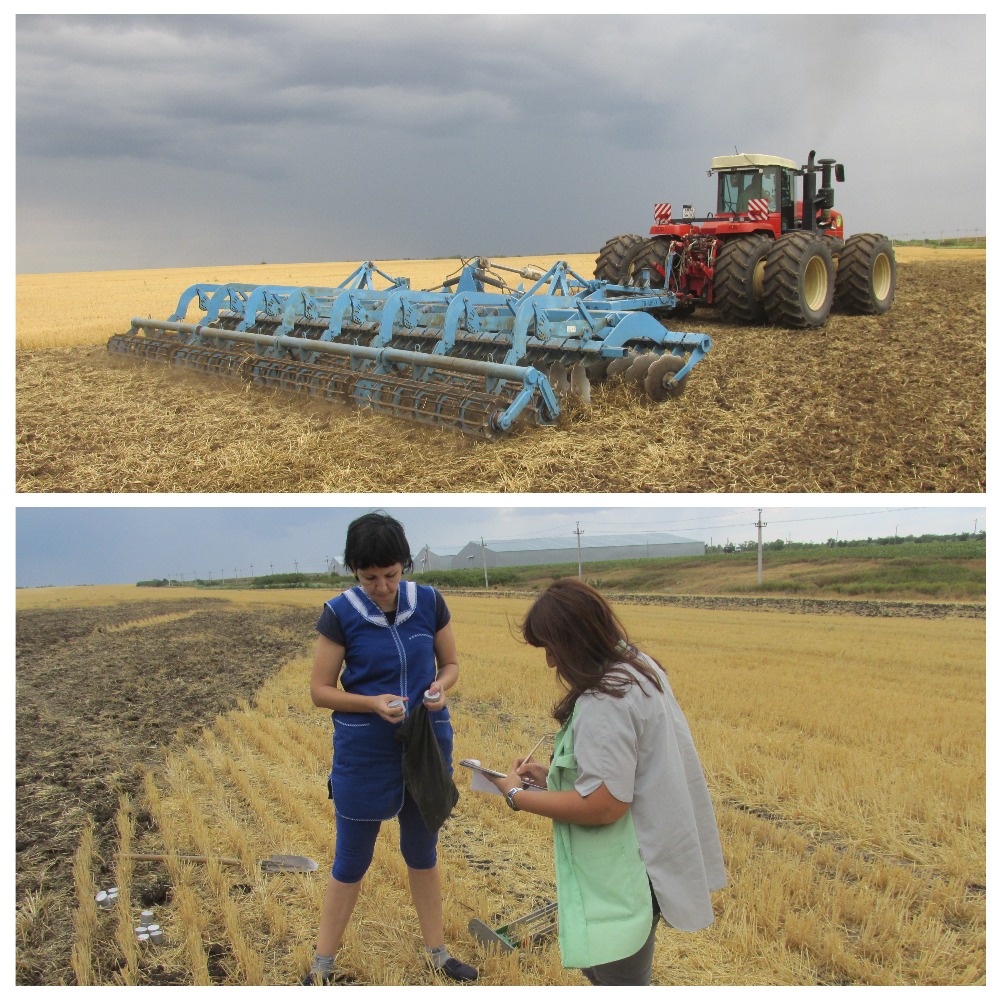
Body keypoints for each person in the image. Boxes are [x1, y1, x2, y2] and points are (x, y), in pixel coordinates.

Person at [486, 578, 726, 986]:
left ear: (577, 640)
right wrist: (553, 778)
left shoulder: (606, 699)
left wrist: (515, 795)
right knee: (604, 972)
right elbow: (623, 771)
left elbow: (604, 805)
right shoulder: (636, 667)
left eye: (552, 648)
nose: (550, 662)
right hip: (651, 853)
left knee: (619, 982)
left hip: (629, 870)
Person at [302, 511, 477, 985]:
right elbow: (321, 690)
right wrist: (371, 703)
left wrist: (440, 688)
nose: (381, 586)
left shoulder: (429, 603)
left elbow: (452, 664)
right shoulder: (339, 614)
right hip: (365, 750)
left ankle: (438, 953)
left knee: (423, 851)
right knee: (351, 859)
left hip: (425, 743)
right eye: (369, 577)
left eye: (391, 575)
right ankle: (321, 968)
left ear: (405, 565)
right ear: (354, 572)